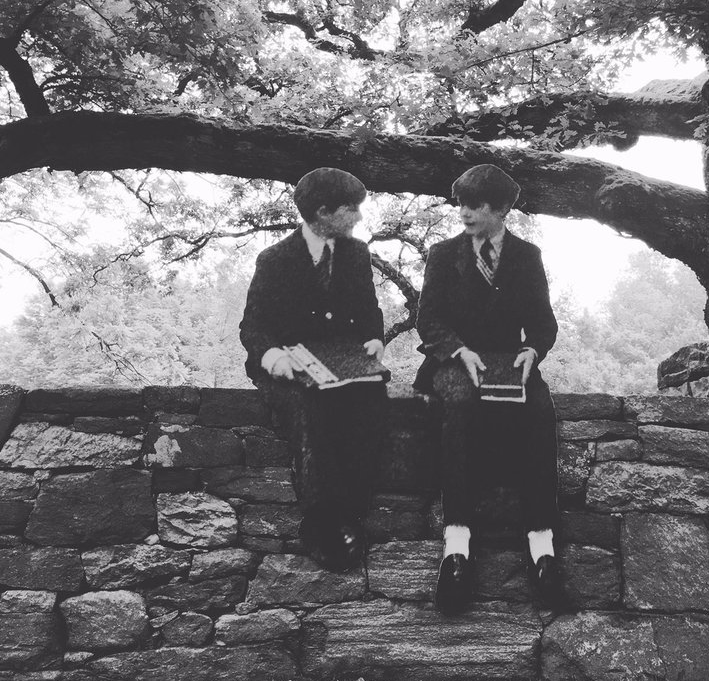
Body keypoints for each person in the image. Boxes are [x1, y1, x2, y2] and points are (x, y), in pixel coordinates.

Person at [414, 163, 563, 614]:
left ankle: (543, 547)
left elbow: (542, 322)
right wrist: (460, 351)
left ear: (501, 209)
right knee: (460, 406)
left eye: (475, 205)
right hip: (452, 362)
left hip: (508, 364)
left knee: (540, 412)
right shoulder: (442, 255)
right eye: (460, 203)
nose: (464, 212)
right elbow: (429, 321)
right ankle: (456, 547)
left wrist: (532, 352)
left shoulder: (527, 256)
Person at [239, 167, 387, 572]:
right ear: (323, 212)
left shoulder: (357, 255)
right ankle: (321, 521)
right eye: (351, 209)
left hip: (342, 362)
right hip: (288, 365)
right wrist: (274, 358)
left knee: (371, 400)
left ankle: (353, 514)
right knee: (312, 411)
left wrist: (376, 338)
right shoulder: (274, 260)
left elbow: (369, 313)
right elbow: (253, 327)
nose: (358, 218)